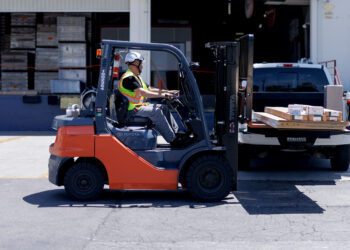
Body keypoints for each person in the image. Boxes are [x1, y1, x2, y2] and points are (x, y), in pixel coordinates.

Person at [117, 51, 185, 146]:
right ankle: (173, 140)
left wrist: (169, 92)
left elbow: (150, 89)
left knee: (163, 108)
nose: (142, 66)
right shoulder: (129, 78)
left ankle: (176, 134)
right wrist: (164, 95)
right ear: (136, 62)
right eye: (141, 63)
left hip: (137, 108)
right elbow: (144, 93)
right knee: (156, 112)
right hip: (131, 112)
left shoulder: (136, 78)